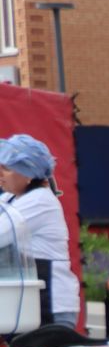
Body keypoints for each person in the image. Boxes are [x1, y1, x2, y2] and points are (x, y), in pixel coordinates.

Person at [0, 134, 80, 329]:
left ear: (28, 174)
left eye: (7, 169)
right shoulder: (12, 198)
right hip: (29, 305)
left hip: (51, 306)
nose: (0, 174)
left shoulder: (39, 201)